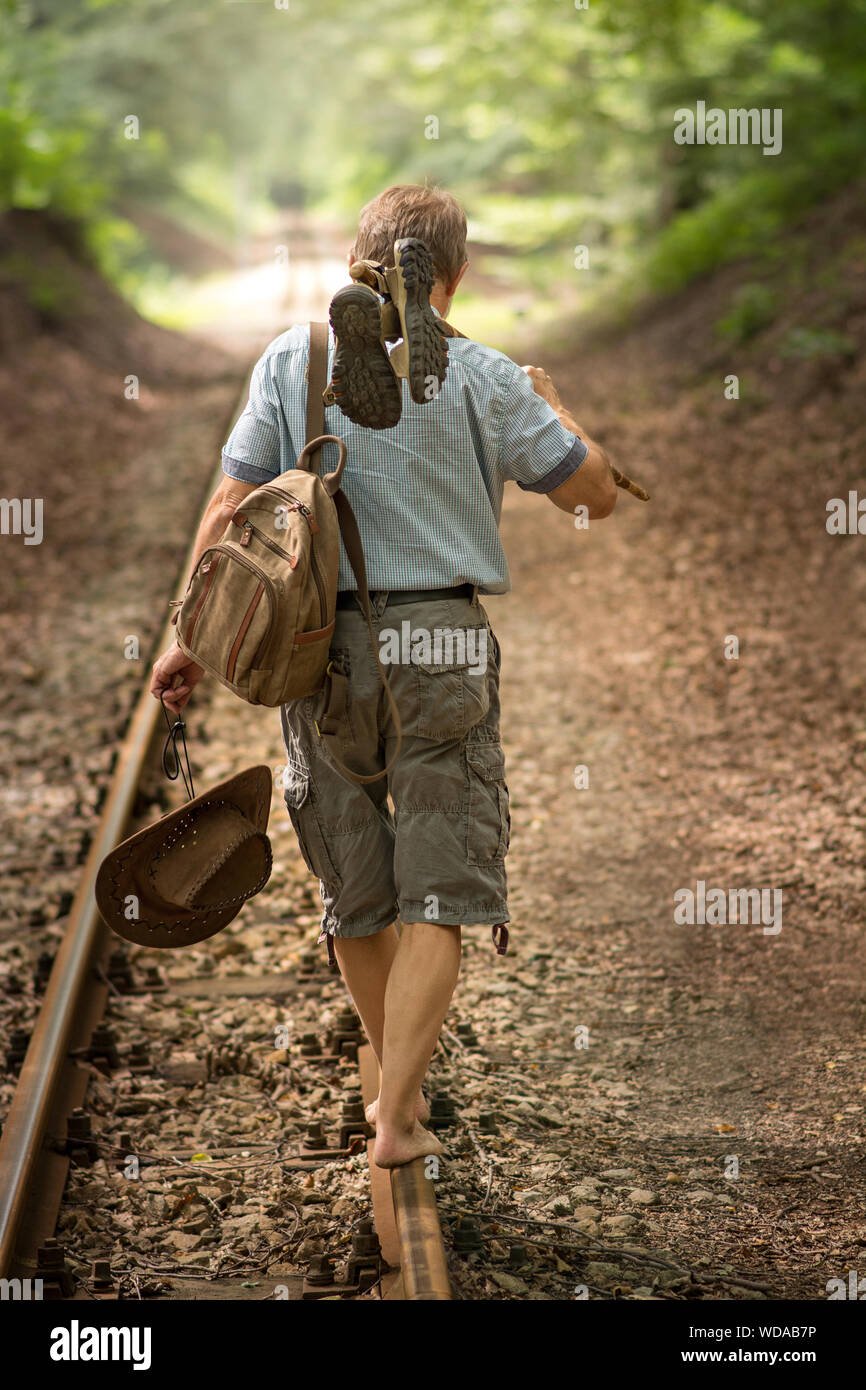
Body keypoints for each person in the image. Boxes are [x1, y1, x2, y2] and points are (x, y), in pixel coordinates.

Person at [151, 183, 618, 1168]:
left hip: (322, 648)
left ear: (355, 259)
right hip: (441, 644)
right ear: (453, 276)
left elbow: (231, 506)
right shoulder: (487, 375)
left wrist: (181, 639)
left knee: (357, 893)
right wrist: (553, 409)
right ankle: (397, 1118)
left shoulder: (294, 358)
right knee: (439, 889)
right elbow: (593, 494)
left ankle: (388, 1078)